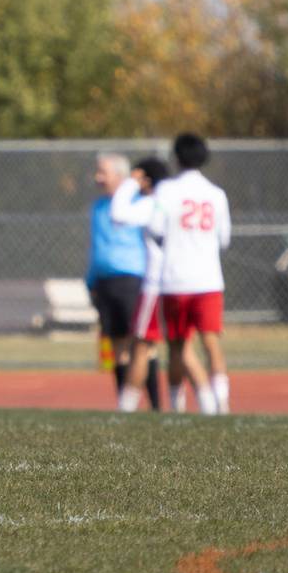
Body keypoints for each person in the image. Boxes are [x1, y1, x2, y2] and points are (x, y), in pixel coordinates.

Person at [149, 133, 231, 415]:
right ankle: (221, 404)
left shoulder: (166, 191)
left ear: (177, 157)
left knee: (176, 346)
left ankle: (177, 405)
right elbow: (224, 239)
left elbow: (156, 229)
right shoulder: (217, 194)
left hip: (175, 280)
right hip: (209, 279)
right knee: (211, 343)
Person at [85, 152, 156, 408]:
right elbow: (95, 247)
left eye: (103, 172)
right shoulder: (97, 208)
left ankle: (157, 406)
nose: (98, 177)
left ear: (120, 175)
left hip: (133, 280)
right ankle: (125, 406)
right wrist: (90, 280)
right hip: (105, 283)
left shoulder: (140, 204)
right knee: (117, 347)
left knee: (142, 344)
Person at [108, 157, 171, 413]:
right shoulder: (174, 202)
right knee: (182, 347)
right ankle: (210, 405)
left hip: (156, 284)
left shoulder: (152, 204)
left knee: (141, 345)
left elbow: (118, 214)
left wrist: (129, 185)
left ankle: (127, 407)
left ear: (145, 179)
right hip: (181, 282)